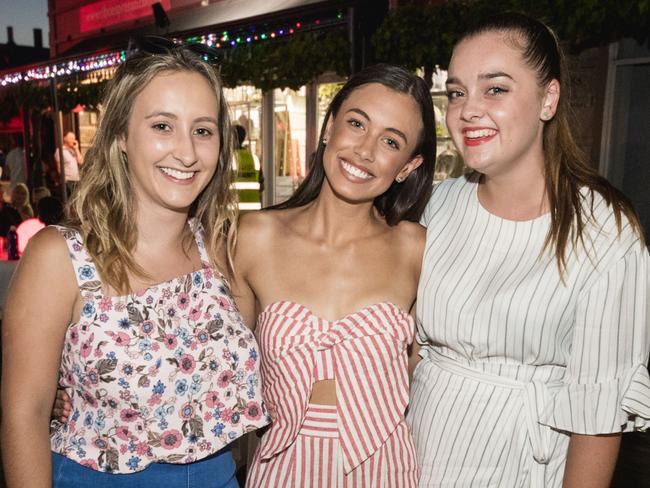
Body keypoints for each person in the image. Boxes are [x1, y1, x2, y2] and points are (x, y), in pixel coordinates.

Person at [1, 38, 268, 487]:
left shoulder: (224, 251)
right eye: (163, 126)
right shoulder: (59, 257)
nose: (186, 152)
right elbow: (23, 415)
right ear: (121, 135)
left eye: (203, 130)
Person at [407, 12, 650, 487]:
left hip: (522, 466)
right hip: (416, 453)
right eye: (457, 93)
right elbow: (410, 349)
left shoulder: (605, 231)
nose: (468, 110)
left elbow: (597, 415)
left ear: (548, 98)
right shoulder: (437, 205)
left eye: (495, 89)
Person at [239, 64, 436, 486]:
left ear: (408, 165)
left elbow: (428, 369)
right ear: (329, 128)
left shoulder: (415, 248)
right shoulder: (253, 236)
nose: (365, 150)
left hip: (384, 469)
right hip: (282, 466)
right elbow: (215, 357)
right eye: (356, 123)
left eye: (390, 141)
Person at [54, 131, 84, 196]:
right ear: (65, 139)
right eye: (71, 138)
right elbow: (59, 167)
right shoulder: (60, 151)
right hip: (68, 181)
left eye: (74, 138)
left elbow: (81, 162)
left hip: (76, 180)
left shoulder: (73, 151)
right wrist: (64, 178)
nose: (73, 140)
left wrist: (76, 149)